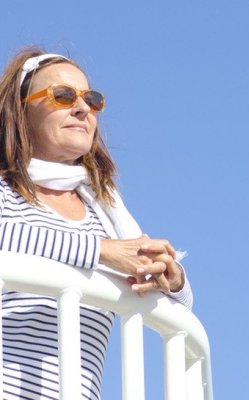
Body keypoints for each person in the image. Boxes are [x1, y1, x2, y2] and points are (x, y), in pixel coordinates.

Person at [0, 47, 193, 400]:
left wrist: (172, 278)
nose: (82, 107)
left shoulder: (104, 210)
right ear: (21, 112)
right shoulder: (4, 193)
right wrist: (100, 252)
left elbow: (176, 311)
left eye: (91, 99)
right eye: (62, 96)